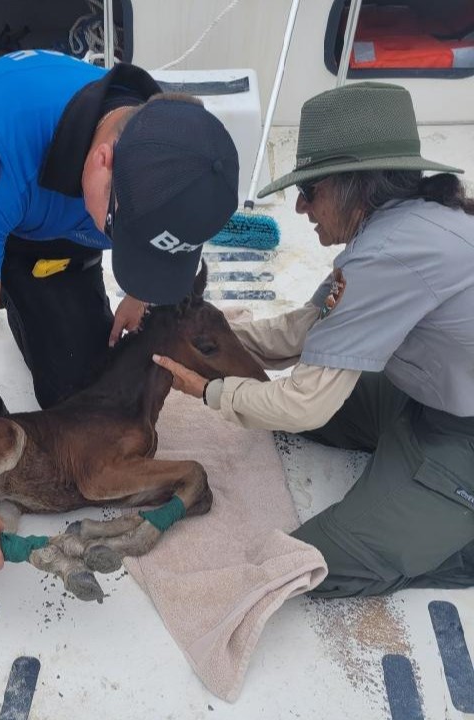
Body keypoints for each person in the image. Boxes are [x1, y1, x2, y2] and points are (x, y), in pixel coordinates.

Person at [0, 49, 240, 578]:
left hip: (51, 237)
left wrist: (141, 289)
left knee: (87, 404)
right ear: (103, 162)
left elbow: (167, 241)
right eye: (124, 237)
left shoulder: (167, 142)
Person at [154, 81, 474, 598]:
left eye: (309, 191)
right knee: (267, 399)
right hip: (424, 395)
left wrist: (210, 393)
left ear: (355, 187)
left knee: (301, 565)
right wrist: (213, 337)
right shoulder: (409, 225)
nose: (301, 208)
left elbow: (304, 405)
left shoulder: (386, 255)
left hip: (465, 439)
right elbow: (315, 327)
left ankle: (452, 525)